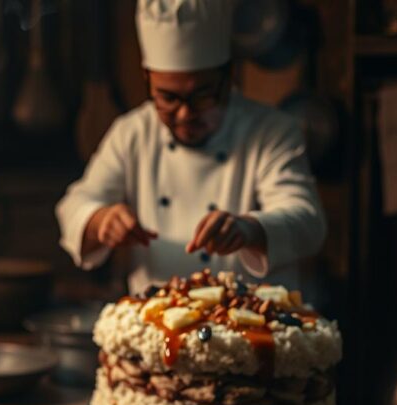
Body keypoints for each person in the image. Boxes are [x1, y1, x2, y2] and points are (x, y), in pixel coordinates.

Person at [56, 0, 326, 295]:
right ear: (148, 80)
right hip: (156, 324)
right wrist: (101, 221)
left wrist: (249, 229)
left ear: (228, 76)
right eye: (168, 98)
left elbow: (307, 221)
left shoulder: (272, 131)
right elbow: (75, 204)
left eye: (202, 95)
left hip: (250, 327)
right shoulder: (132, 132)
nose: (185, 114)